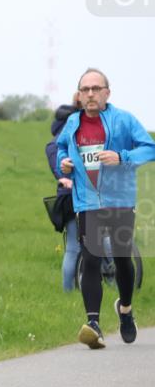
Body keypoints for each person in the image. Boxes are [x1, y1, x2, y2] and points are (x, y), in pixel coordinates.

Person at [56, 68, 155, 348]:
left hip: (121, 201)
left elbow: (150, 148)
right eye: (85, 89)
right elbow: (61, 150)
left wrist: (122, 156)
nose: (90, 94)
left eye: (96, 89)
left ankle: (125, 310)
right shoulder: (73, 124)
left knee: (123, 258)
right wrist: (63, 163)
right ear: (79, 94)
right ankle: (94, 324)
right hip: (88, 202)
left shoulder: (123, 120)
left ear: (106, 93)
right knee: (91, 259)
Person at [45, 99, 80, 292]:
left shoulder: (53, 143)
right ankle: (68, 291)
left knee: (74, 247)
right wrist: (64, 179)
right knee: (76, 247)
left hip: (68, 197)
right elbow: (57, 168)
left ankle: (70, 291)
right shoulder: (61, 143)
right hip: (72, 197)